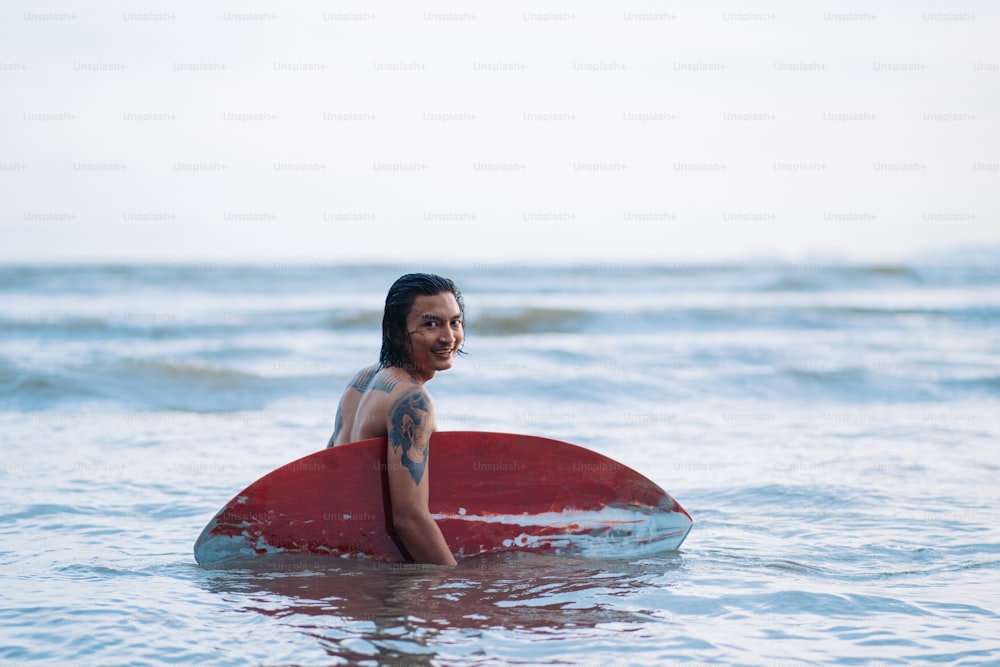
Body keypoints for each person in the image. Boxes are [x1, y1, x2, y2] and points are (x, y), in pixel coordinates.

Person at [328, 273, 463, 566]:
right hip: (386, 562)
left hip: (359, 556)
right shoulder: (412, 401)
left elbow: (329, 475)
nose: (448, 337)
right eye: (430, 324)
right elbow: (409, 520)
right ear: (394, 331)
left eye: (454, 321)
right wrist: (455, 584)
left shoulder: (361, 381)